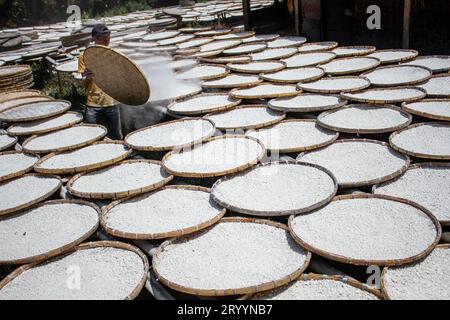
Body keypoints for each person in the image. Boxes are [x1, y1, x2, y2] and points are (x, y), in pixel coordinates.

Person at [78, 24, 122, 140]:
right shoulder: (85, 56)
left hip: (111, 101)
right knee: (94, 136)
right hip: (93, 103)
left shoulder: (112, 54)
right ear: (95, 39)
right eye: (104, 39)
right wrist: (88, 76)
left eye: (108, 39)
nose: (107, 42)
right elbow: (83, 81)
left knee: (116, 135)